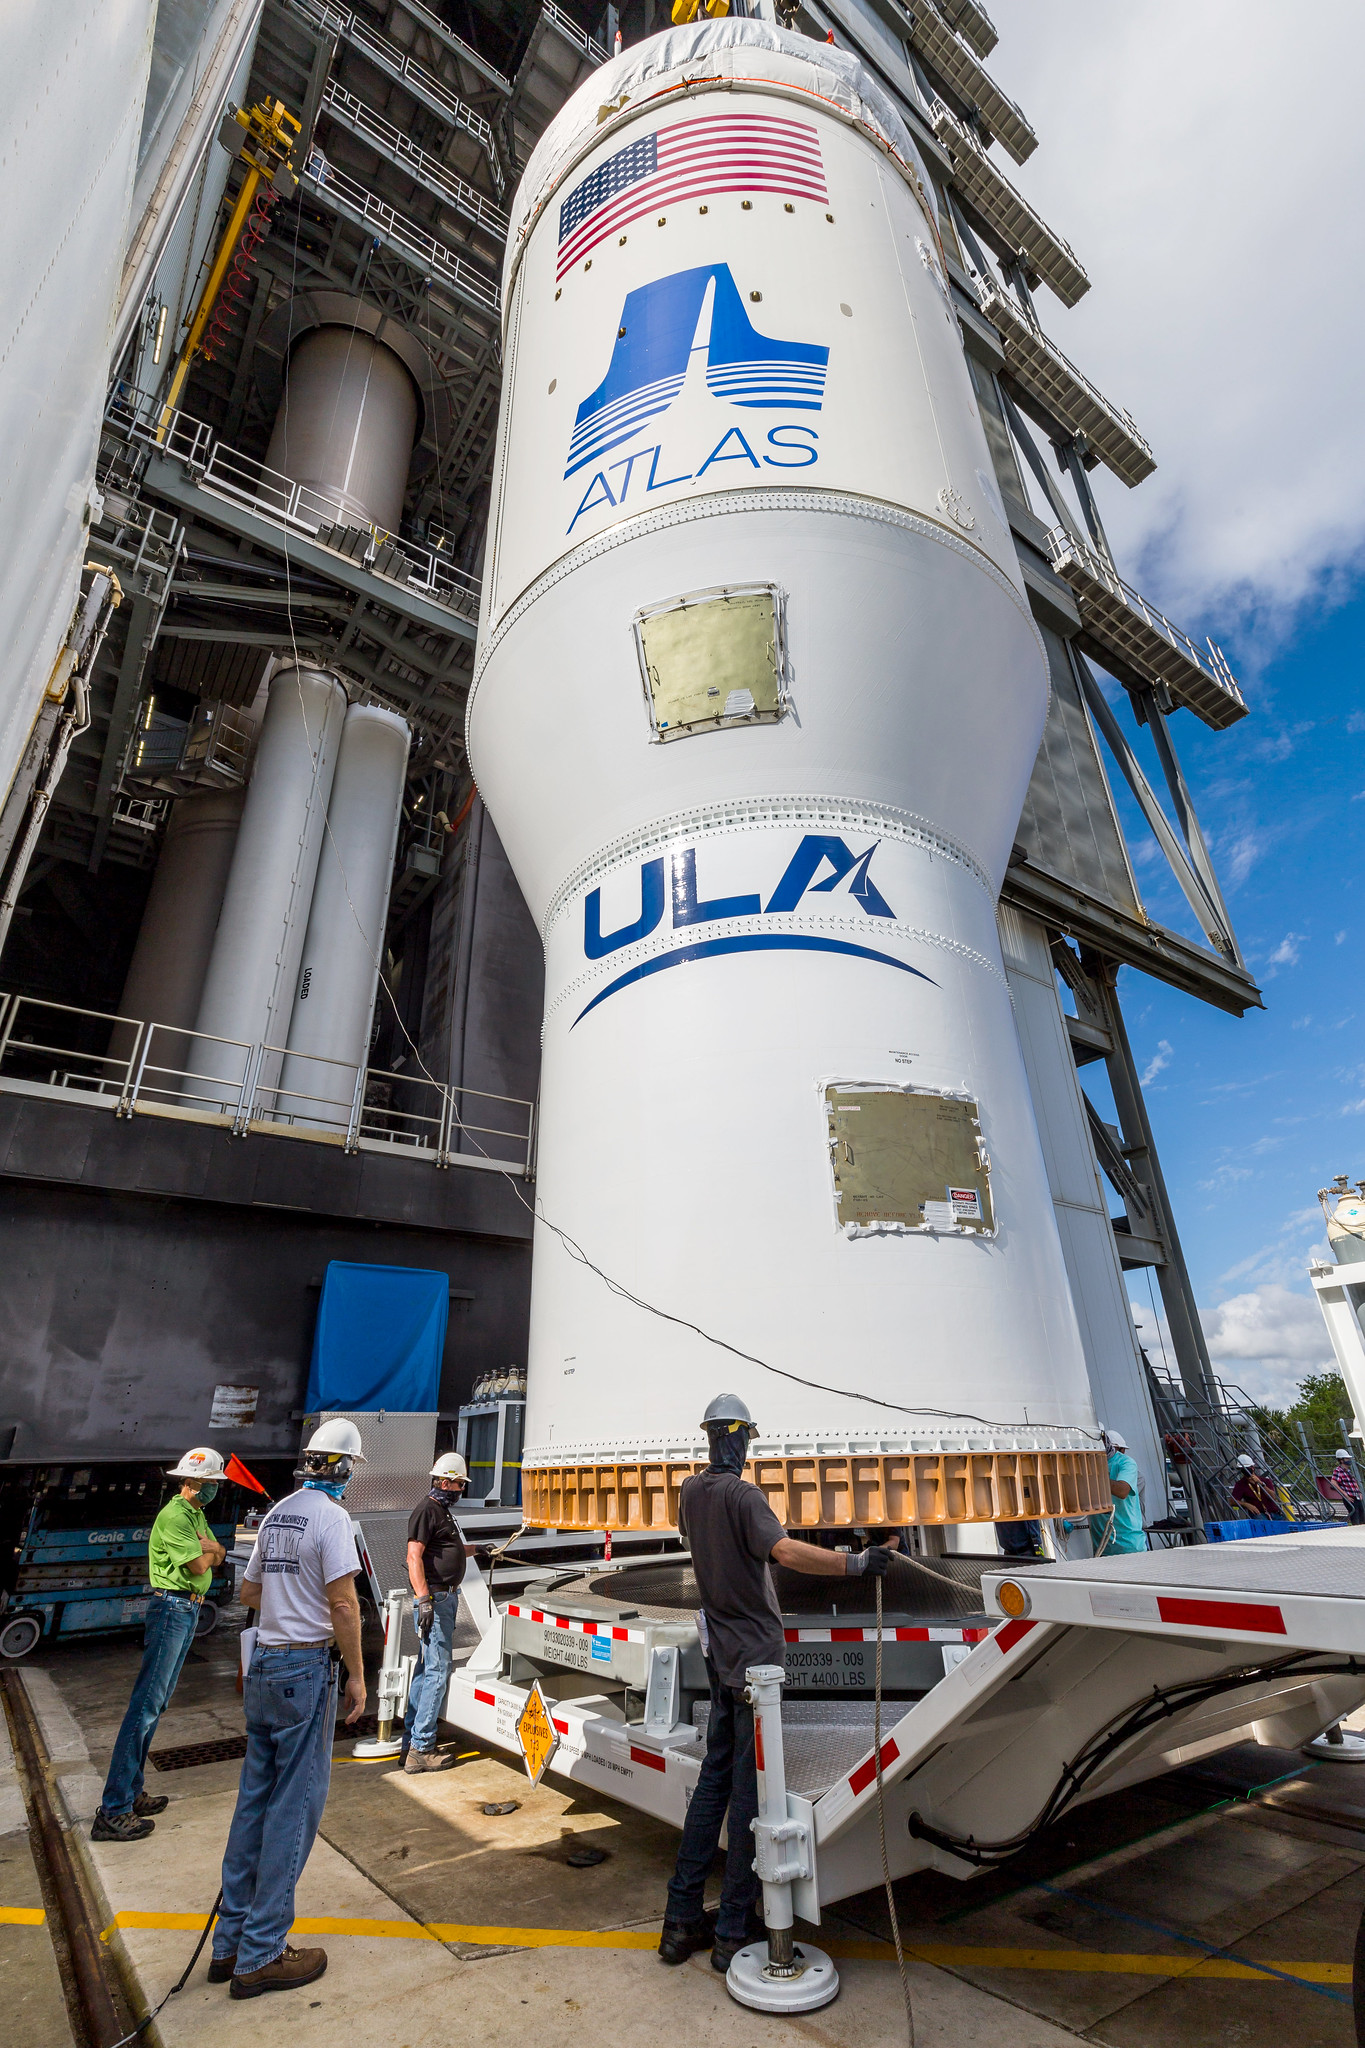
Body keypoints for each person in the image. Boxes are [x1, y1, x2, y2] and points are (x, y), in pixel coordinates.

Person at [658, 1393, 895, 1975]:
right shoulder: (743, 1495)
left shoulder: (690, 1493)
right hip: (755, 1667)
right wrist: (857, 1565)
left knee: (713, 1786)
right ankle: (732, 1932)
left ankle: (679, 1922)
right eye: (745, 1437)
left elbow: (706, 1543)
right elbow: (784, 1551)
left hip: (720, 1660)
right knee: (745, 1795)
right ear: (739, 1437)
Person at [209, 1419, 368, 2000]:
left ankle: (228, 1946)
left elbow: (249, 1594)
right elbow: (345, 1606)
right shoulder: (333, 1519)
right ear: (345, 1468)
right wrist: (356, 1674)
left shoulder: (276, 1514)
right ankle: (264, 1953)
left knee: (254, 1802)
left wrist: (286, 1599)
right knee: (295, 1808)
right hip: (305, 1670)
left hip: (265, 1668)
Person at [92, 1448, 228, 1843]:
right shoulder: (175, 1517)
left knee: (157, 1704)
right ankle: (114, 1807)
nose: (214, 1491)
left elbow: (217, 1554)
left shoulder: (195, 1515)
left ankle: (131, 1794)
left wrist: (211, 1549)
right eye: (212, 1484)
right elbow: (202, 1565)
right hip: (172, 1608)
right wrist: (209, 1550)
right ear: (195, 1482)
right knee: (145, 1707)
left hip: (186, 1610)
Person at [403, 1452, 490, 1770]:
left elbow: (448, 1548)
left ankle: (410, 1742)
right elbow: (415, 1557)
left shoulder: (441, 1512)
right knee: (437, 1672)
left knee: (426, 1670)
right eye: (457, 1484)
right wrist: (423, 1599)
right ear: (443, 1481)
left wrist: (476, 1549)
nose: (460, 1490)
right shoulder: (427, 1510)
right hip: (436, 1602)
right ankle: (421, 1749)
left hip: (442, 1600)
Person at [1088, 1428, 1147, 1555]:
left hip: (1128, 1546)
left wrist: (1092, 1476)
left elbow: (1122, 1491)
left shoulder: (1126, 1464)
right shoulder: (1088, 1463)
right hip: (1102, 1547)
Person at [1230, 1452, 1282, 1522]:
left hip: (1274, 1513)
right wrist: (1246, 1504)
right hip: (1259, 1514)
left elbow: (1273, 1497)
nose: (1245, 1471)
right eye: (1243, 1469)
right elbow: (1232, 1501)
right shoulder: (1241, 1484)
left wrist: (1261, 1484)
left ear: (1252, 1468)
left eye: (1247, 1468)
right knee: (1263, 1523)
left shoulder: (1265, 1481)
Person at [1331, 1449, 1364, 1525]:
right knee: (1355, 1517)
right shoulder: (1338, 1470)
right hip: (1350, 1498)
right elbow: (1333, 1482)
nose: (1349, 1460)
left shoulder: (1348, 1471)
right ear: (1341, 1460)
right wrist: (1345, 1495)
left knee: (1362, 1516)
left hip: (1356, 1497)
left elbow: (1354, 1483)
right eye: (1347, 1458)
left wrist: (1359, 1492)